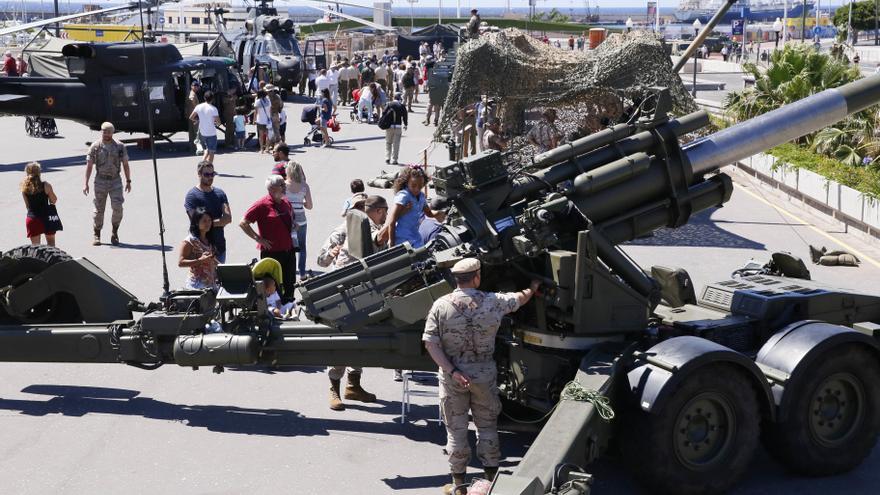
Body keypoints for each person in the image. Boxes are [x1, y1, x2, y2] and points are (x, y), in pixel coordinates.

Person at [423, 258, 539, 493]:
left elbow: (430, 344)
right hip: (484, 374)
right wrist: (533, 287)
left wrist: (453, 371)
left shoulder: (440, 305)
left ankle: (458, 487)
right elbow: (520, 298)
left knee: (455, 430)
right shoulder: (493, 301)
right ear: (477, 277)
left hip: (453, 376)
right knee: (487, 427)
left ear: (456, 279)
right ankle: (491, 484)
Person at [326, 194, 388, 411]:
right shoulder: (349, 228)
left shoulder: (367, 225)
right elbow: (322, 258)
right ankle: (334, 387)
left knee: (362, 339)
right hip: (345, 293)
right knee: (344, 340)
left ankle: (353, 386)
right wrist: (333, 252)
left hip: (363, 291)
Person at [239, 175, 296, 299]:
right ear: (271, 188)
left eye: (284, 183)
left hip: (289, 250)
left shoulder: (286, 201)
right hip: (272, 254)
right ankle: (275, 311)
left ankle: (289, 307)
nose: (284, 186)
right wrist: (258, 238)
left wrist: (293, 225)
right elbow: (243, 223)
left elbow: (291, 219)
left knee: (290, 283)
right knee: (272, 287)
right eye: (281, 184)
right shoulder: (261, 205)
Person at [84, 122, 131, 246]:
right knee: (99, 209)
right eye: (104, 132)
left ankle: (115, 232)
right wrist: (86, 183)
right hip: (100, 180)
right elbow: (89, 166)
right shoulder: (95, 146)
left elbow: (125, 164)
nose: (106, 134)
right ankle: (97, 234)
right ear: (101, 132)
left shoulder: (120, 146)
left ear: (113, 133)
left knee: (118, 208)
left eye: (109, 132)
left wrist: (128, 181)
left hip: (115, 181)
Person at [184, 161, 232, 263]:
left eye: (212, 174)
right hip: (200, 250)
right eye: (207, 174)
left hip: (219, 247)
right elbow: (196, 222)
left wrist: (206, 223)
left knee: (220, 278)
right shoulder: (192, 196)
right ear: (199, 174)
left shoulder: (220, 193)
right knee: (203, 278)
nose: (210, 177)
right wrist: (218, 222)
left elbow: (228, 218)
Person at [386, 166, 442, 249]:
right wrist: (391, 241)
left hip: (415, 236)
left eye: (420, 186)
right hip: (402, 237)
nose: (417, 189)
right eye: (413, 185)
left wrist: (442, 212)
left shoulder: (421, 196)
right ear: (406, 182)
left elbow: (429, 213)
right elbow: (392, 220)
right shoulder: (403, 196)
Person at [318, 192, 367, 270]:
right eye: (358, 207)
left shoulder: (372, 228)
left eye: (364, 207)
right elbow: (321, 261)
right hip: (343, 275)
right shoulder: (341, 232)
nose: (362, 210)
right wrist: (330, 254)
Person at [284, 161, 313, 279]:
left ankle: (288, 272)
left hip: (287, 219)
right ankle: (302, 273)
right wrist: (301, 202)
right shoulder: (304, 186)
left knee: (288, 247)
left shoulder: (283, 185)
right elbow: (310, 206)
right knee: (302, 247)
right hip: (301, 219)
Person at [178, 207, 218, 289]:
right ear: (196, 222)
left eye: (209, 220)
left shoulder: (209, 239)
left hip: (211, 285)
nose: (208, 223)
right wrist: (201, 260)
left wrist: (226, 268)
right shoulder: (189, 241)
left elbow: (212, 259)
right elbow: (181, 262)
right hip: (196, 286)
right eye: (204, 221)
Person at [21, 162, 58, 246]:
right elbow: (53, 201)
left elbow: (27, 206)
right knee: (51, 244)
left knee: (36, 248)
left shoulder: (24, 188)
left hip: (32, 219)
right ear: (39, 172)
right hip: (47, 218)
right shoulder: (46, 185)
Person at [190, 91, 221, 163]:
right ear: (212, 99)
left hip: (202, 132)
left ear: (204, 98)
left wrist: (198, 120)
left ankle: (202, 163)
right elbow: (218, 122)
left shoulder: (198, 106)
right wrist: (216, 123)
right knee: (212, 152)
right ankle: (208, 167)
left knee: (207, 149)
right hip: (211, 133)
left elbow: (191, 117)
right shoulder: (213, 109)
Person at [382, 93, 408, 165]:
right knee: (396, 144)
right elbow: (405, 116)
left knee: (388, 143)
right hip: (398, 127)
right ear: (400, 99)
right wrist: (405, 124)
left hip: (389, 127)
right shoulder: (401, 106)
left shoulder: (389, 104)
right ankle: (395, 160)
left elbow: (384, 113)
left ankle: (387, 158)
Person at [253, 89, 272, 153]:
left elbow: (256, 112)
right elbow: (270, 110)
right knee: (267, 135)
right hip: (268, 120)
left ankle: (261, 149)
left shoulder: (257, 101)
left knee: (261, 136)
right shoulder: (268, 100)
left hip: (260, 120)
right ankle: (267, 148)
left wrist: (254, 120)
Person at [186, 80, 201, 153]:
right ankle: (198, 148)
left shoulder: (192, 93)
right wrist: (196, 108)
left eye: (196, 86)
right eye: (194, 86)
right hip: (194, 116)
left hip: (191, 115)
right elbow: (191, 99)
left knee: (192, 133)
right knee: (196, 133)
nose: (196, 87)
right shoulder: (192, 94)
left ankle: (193, 148)